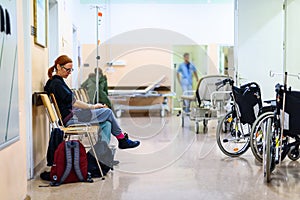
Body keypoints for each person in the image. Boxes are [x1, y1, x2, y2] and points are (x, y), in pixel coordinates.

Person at [44, 55, 140, 149]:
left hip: (75, 115)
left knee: (107, 123)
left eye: (71, 70)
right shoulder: (56, 83)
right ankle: (122, 140)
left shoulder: (58, 82)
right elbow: (74, 102)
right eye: (67, 69)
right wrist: (92, 107)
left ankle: (101, 156)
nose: (69, 73)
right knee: (108, 112)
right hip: (71, 119)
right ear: (58, 67)